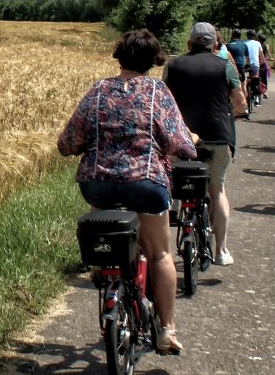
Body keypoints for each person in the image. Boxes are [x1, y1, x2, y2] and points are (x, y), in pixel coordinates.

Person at [58, 28, 199, 355]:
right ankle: (166, 330)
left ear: (119, 54)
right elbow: (180, 143)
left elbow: (68, 142)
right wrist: (191, 142)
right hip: (145, 184)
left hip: (98, 184)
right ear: (153, 60)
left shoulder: (98, 91)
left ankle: (101, 268)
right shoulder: (157, 91)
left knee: (101, 203)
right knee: (161, 254)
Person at [164, 22, 248, 267]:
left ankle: (164, 245)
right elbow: (240, 100)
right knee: (217, 189)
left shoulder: (174, 65)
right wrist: (238, 111)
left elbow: (164, 100)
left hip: (181, 136)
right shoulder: (225, 66)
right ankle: (221, 250)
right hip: (218, 136)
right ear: (214, 45)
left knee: (174, 184)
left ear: (189, 43)